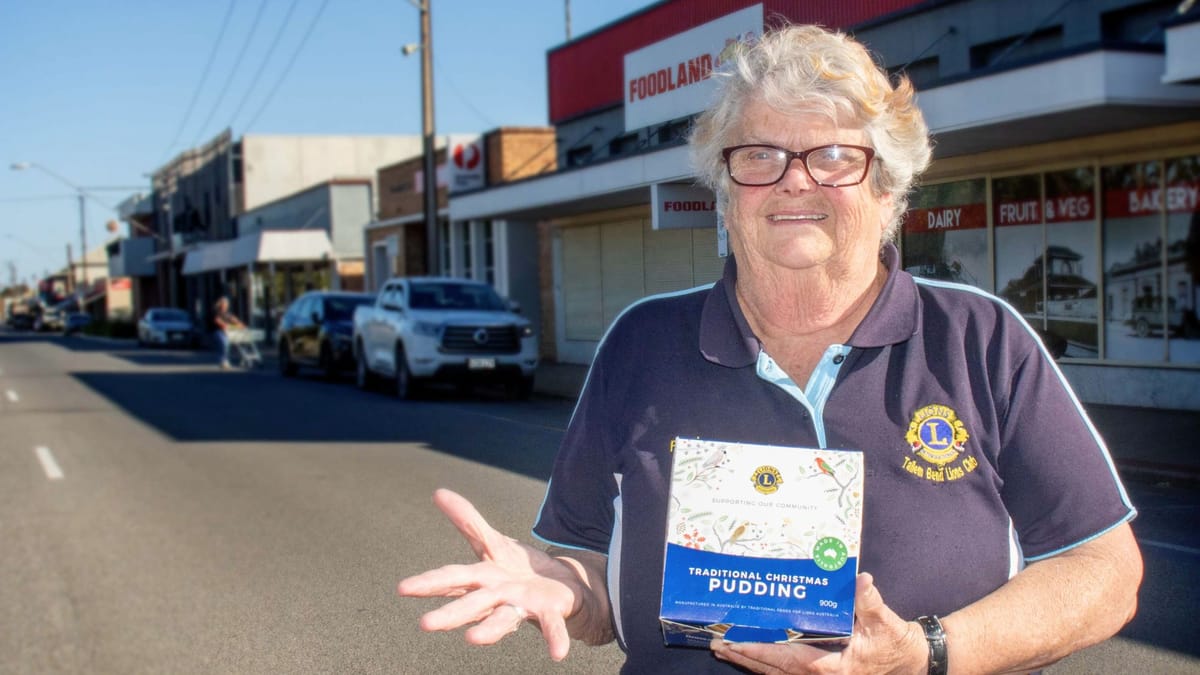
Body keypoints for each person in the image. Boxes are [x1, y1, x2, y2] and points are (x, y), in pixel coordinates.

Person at [398, 24, 1142, 674]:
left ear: (888, 189)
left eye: (833, 156)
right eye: (759, 156)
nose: (794, 181)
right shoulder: (642, 344)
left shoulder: (982, 340)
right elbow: (595, 588)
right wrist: (560, 585)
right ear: (724, 190)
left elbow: (1104, 570)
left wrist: (926, 654)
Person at [212, 295, 244, 370]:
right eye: (224, 304)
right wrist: (225, 325)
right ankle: (223, 360)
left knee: (234, 343)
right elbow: (217, 321)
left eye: (226, 305)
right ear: (221, 304)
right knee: (224, 343)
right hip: (218, 332)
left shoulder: (227, 314)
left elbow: (233, 319)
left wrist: (239, 324)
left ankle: (230, 359)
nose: (225, 306)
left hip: (228, 332)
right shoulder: (216, 312)